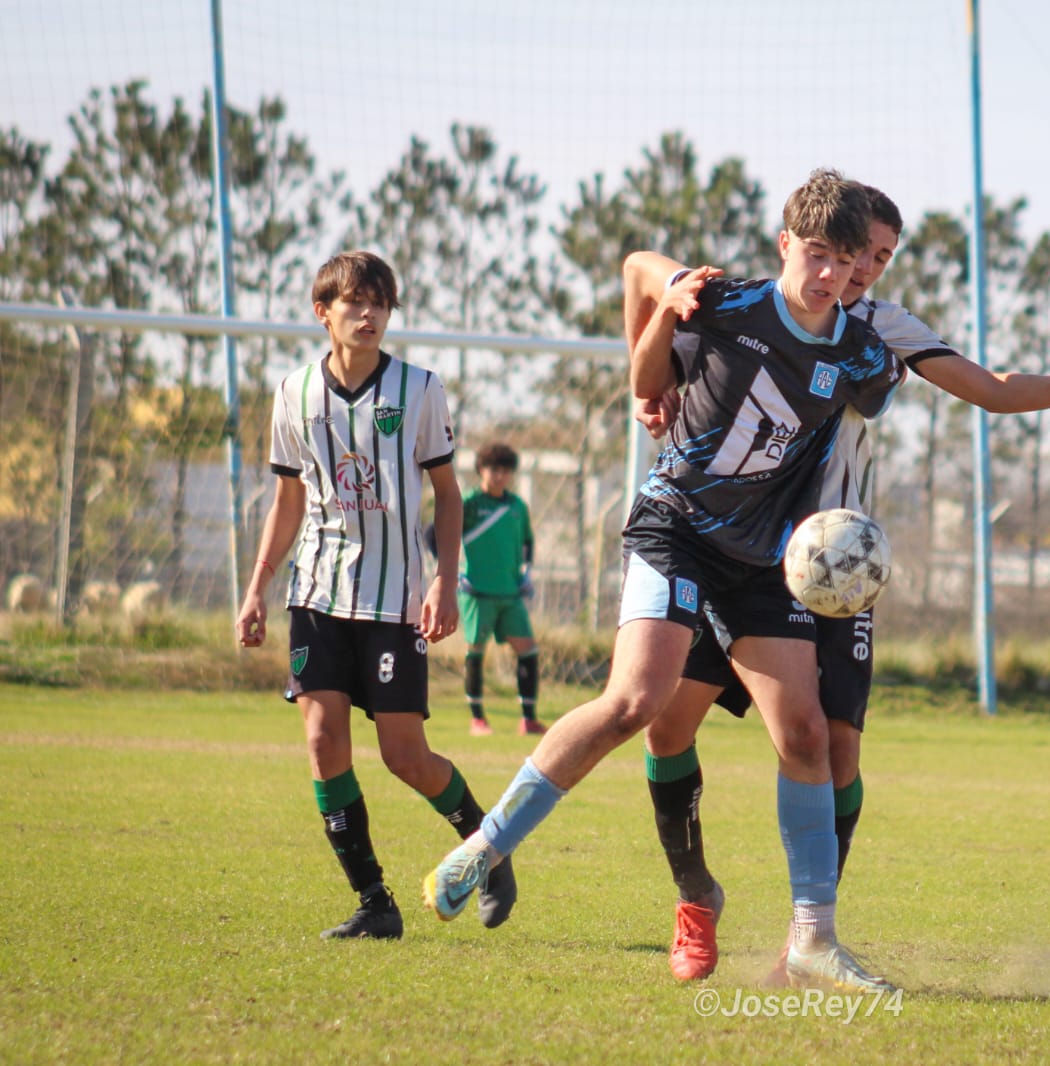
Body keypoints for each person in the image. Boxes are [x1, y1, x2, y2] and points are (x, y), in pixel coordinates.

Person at [631, 184, 1050, 981]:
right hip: (735, 553)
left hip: (834, 567)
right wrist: (649, 391)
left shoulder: (883, 329)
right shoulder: (749, 306)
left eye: (879, 259)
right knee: (668, 727)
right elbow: (642, 277)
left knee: (832, 743)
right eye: (856, 252)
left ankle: (808, 937)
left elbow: (989, 389)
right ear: (817, 244)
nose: (863, 272)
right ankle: (693, 898)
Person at [422, 169, 904, 992]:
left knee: (807, 739)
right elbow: (645, 369)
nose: (830, 274)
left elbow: (896, 394)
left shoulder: (864, 354)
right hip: (675, 526)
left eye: (848, 260)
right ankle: (485, 844)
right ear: (786, 245)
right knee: (635, 703)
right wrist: (666, 309)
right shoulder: (726, 303)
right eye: (816, 254)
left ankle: (812, 942)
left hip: (762, 561)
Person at [233, 250, 516, 940]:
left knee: (404, 756)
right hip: (318, 593)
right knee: (323, 739)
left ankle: (488, 848)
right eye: (355, 302)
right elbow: (287, 500)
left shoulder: (419, 389)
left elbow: (447, 497)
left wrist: (445, 580)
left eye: (380, 304)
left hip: (394, 600)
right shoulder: (293, 393)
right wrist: (257, 588)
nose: (369, 315)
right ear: (323, 312)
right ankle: (374, 902)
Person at [458, 442, 545, 737]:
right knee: (476, 650)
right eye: (494, 469)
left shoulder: (517, 506)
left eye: (506, 471)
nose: (500, 476)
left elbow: (527, 543)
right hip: (477, 591)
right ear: (481, 470)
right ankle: (478, 719)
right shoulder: (469, 502)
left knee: (528, 649)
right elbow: (437, 534)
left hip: (510, 593)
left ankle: (529, 719)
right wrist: (446, 570)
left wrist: (526, 574)